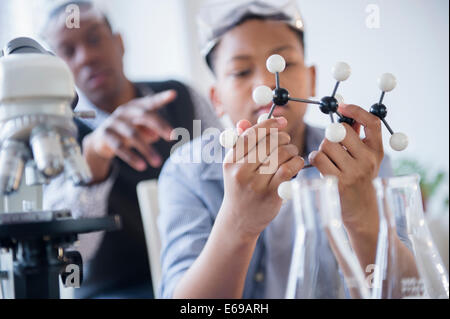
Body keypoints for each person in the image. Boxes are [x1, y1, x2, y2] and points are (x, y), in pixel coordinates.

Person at [157, 1, 418, 299]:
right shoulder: (188, 170)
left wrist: (363, 217)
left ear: (313, 79)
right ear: (216, 98)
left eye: (285, 63)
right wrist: (237, 223)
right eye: (241, 71)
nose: (268, 84)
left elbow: (408, 294)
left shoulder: (357, 158)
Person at [40, 0, 221, 298]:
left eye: (95, 39)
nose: (87, 57)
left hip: (199, 276)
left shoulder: (181, 96)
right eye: (68, 51)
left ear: (120, 42)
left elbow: (226, 179)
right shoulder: (52, 135)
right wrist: (93, 159)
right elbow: (64, 258)